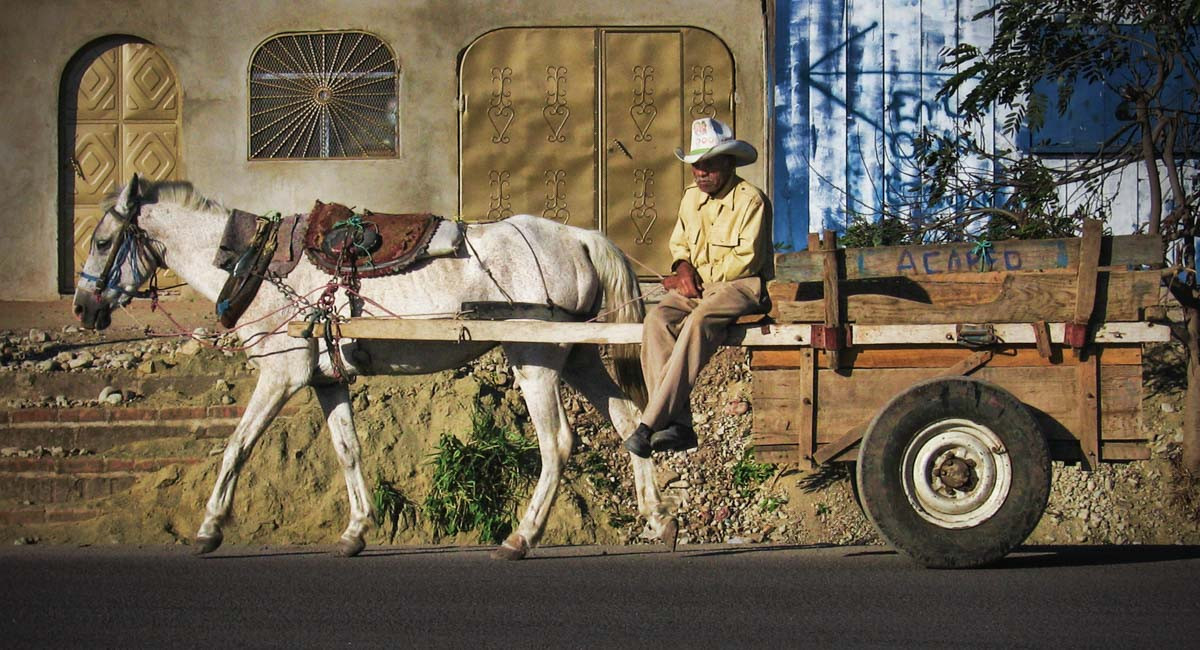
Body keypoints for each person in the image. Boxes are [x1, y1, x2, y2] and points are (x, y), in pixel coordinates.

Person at [624, 117, 773, 458]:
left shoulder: (751, 200)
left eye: (709, 165)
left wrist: (694, 277)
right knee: (656, 320)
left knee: (699, 321)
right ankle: (679, 425)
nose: (701, 173)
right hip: (700, 288)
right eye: (696, 166)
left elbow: (746, 261)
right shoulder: (691, 199)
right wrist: (681, 267)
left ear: (729, 163)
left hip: (739, 288)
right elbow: (680, 245)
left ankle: (649, 424)